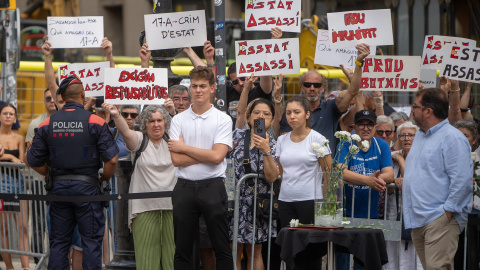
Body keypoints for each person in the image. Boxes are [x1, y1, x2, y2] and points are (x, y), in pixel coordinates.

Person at [26, 75, 119, 269]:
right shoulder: (96, 121)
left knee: (59, 243)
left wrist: (49, 173)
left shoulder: (46, 124)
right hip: (88, 190)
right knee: (91, 243)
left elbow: (32, 160)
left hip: (58, 191)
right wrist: (104, 178)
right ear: (83, 95)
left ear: (62, 97)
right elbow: (112, 160)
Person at [168, 66, 233, 270]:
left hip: (212, 186)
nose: (198, 90)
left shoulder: (223, 119)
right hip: (184, 187)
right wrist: (208, 154)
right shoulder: (178, 119)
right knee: (182, 249)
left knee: (221, 247)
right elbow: (177, 160)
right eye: (194, 86)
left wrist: (185, 148)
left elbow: (217, 157)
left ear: (212, 88)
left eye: (202, 86)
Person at [403, 88, 473, 269]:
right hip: (421, 218)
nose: (412, 110)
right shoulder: (420, 135)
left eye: (415, 106)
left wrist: (447, 212)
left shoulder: (453, 138)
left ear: (428, 111)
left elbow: (462, 181)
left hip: (439, 218)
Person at [103, 103, 177, 270]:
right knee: (146, 258)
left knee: (171, 258)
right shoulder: (140, 139)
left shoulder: (174, 140)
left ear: (165, 122)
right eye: (151, 121)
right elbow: (125, 132)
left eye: (159, 120)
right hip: (143, 208)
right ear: (144, 124)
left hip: (172, 207)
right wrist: (116, 114)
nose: (156, 124)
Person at [279, 44, 370, 155]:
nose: (312, 88)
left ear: (323, 88)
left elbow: (353, 91)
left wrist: (359, 63)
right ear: (302, 87)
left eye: (316, 85)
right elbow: (284, 144)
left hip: (326, 169)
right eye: (308, 84)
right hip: (301, 167)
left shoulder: (331, 107)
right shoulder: (291, 113)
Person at [230, 74, 280, 270]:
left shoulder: (274, 145)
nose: (261, 116)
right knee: (233, 247)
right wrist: (247, 88)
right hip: (235, 203)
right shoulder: (238, 135)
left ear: (272, 119)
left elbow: (272, 176)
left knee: (255, 251)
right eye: (256, 113)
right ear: (249, 117)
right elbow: (240, 111)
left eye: (266, 114)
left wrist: (266, 150)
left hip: (258, 204)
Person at [336, 110, 394, 270]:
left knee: (365, 264)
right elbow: (340, 170)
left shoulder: (381, 145)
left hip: (370, 215)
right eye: (361, 124)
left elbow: (389, 173)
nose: (365, 128)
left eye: (369, 124)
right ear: (354, 126)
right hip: (346, 214)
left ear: (375, 127)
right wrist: (368, 180)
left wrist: (373, 180)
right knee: (343, 264)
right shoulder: (345, 143)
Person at [276, 96, 332, 228]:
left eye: (297, 112)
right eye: (288, 113)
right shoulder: (281, 140)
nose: (292, 117)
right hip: (285, 200)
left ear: (307, 114)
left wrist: (327, 202)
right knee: (289, 242)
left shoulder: (318, 139)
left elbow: (328, 174)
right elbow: (282, 172)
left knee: (311, 244)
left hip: (311, 200)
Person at [384, 121, 423, 270]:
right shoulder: (392, 157)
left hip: (417, 213)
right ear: (398, 138)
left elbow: (412, 184)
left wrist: (402, 163)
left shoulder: (423, 157)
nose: (406, 138)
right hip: (395, 212)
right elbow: (389, 189)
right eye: (403, 135)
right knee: (394, 252)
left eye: (411, 135)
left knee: (415, 253)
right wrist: (399, 161)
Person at [0, 103, 29, 270]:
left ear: (15, 118)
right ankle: (9, 267)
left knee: (23, 226)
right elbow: (15, 160)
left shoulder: (19, 138)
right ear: (0, 116)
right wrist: (10, 158)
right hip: (1, 183)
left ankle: (26, 267)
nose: (8, 116)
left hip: (18, 183)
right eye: (5, 113)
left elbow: (23, 161)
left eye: (12, 113)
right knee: (3, 227)